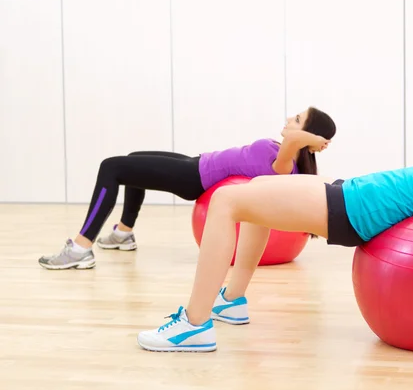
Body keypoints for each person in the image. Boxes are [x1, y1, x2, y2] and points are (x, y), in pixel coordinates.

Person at [137, 89, 413, 352]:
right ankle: (230, 300)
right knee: (251, 190)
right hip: (350, 192)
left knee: (226, 201)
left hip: (353, 211)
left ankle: (193, 326)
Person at [38, 107, 336, 270]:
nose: (288, 118)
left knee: (110, 167)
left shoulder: (286, 164)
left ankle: (80, 248)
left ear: (306, 137)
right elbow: (293, 140)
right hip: (197, 163)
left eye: (297, 119)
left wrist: (312, 138)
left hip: (194, 178)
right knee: (132, 160)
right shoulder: (285, 153)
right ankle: (123, 234)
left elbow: (294, 143)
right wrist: (310, 136)